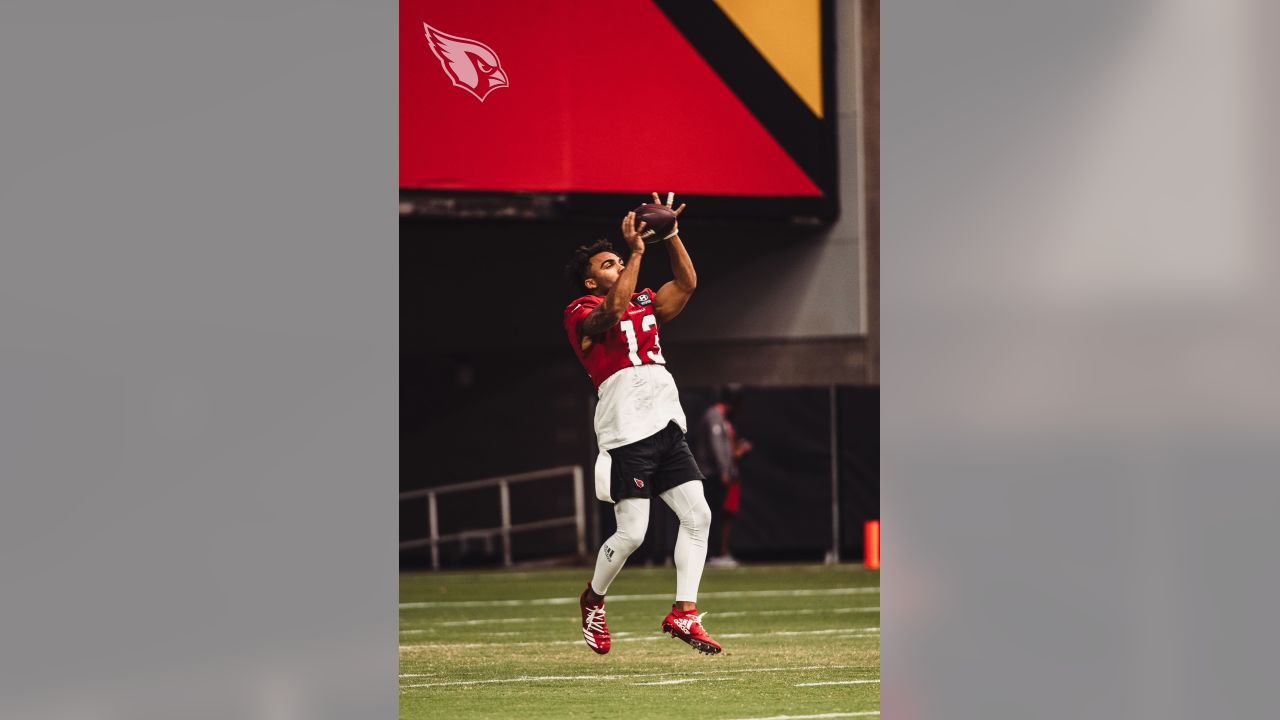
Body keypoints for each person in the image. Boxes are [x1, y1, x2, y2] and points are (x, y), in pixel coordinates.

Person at [562, 192, 721, 655]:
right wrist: (634, 251)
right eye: (607, 263)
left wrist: (671, 236)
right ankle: (593, 598)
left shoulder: (645, 301)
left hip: (666, 418)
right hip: (627, 425)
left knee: (699, 515)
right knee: (632, 533)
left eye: (618, 260)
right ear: (591, 278)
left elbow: (686, 284)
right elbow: (609, 313)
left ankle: (684, 613)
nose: (617, 266)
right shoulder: (579, 310)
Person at [696, 386, 753, 568]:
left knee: (720, 514)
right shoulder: (714, 416)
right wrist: (724, 471)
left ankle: (718, 553)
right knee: (712, 514)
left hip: (716, 473)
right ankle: (712, 554)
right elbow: (716, 447)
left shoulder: (721, 419)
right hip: (711, 474)